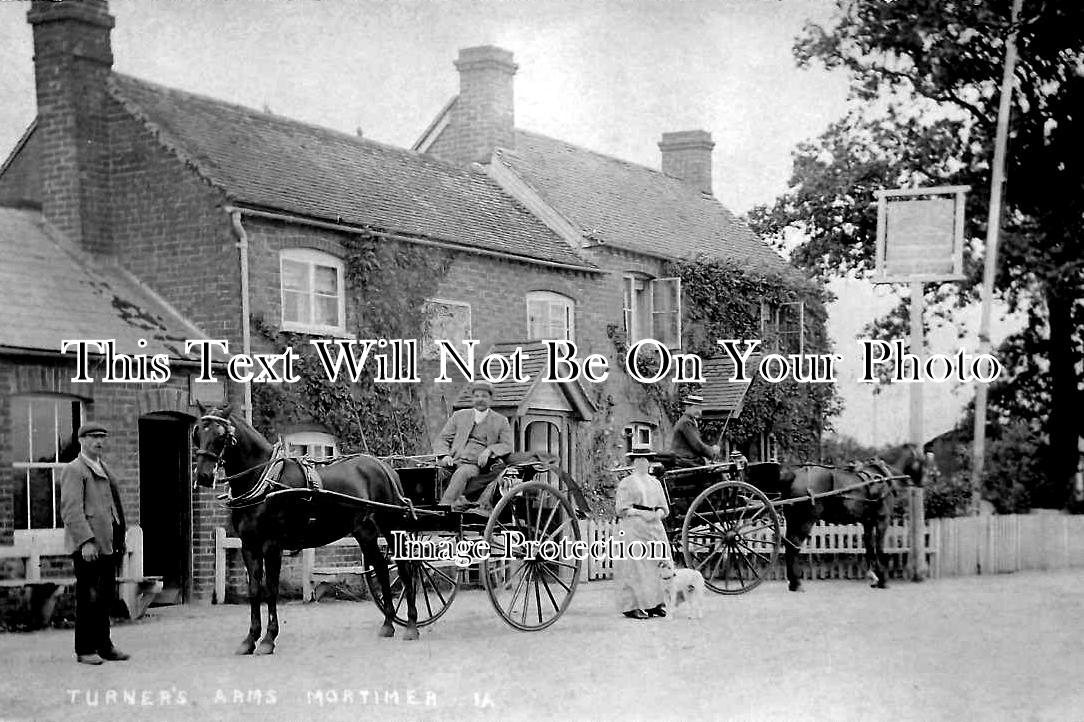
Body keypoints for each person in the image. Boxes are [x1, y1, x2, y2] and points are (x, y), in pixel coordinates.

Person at [60, 422, 130, 665]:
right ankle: (85, 648)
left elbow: (113, 508)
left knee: (104, 598)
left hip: (108, 544)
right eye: (92, 437)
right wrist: (86, 542)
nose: (98, 442)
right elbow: (70, 511)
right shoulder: (75, 470)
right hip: (89, 547)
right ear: (81, 440)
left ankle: (104, 645)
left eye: (102, 437)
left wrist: (120, 535)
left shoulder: (104, 468)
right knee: (88, 597)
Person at [433, 381, 513, 511]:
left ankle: (444, 509)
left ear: (491, 399)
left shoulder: (500, 421)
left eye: (484, 396)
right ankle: (413, 508)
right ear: (472, 398)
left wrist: (489, 450)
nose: (480, 399)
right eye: (477, 396)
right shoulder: (459, 416)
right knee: (431, 473)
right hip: (454, 461)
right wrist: (445, 455)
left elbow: (507, 445)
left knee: (462, 473)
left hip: (476, 466)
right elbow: (443, 439)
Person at [614, 444, 670, 619]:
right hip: (634, 525)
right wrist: (641, 514)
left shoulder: (655, 482)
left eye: (645, 459)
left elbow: (664, 507)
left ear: (650, 462)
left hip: (654, 526)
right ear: (633, 462)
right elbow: (622, 509)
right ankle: (633, 606)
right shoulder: (627, 483)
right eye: (638, 459)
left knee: (658, 562)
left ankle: (655, 604)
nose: (642, 463)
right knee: (636, 566)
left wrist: (657, 515)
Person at [669, 394, 719, 467]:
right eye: (696, 408)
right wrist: (712, 451)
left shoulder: (688, 420)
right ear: (688, 407)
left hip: (686, 460)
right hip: (685, 461)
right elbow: (697, 445)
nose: (699, 411)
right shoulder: (686, 422)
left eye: (700, 408)